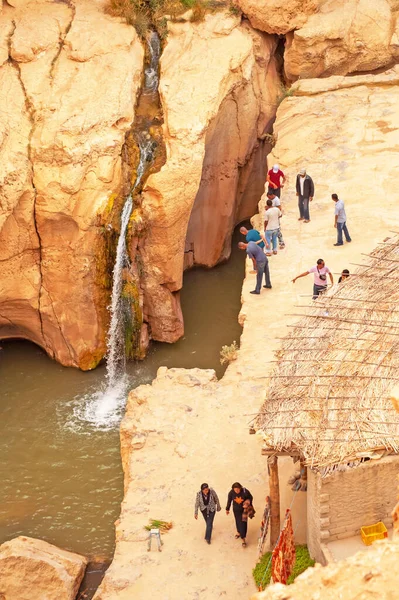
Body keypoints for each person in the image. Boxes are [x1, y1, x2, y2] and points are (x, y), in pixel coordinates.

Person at [226, 482, 254, 548]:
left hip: (244, 510)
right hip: (236, 510)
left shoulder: (245, 491)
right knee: (237, 521)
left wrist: (247, 503)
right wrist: (227, 509)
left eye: (238, 490)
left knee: (243, 523)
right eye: (235, 490)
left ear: (240, 488)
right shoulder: (231, 492)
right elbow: (229, 501)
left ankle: (243, 539)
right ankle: (238, 532)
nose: (236, 491)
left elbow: (250, 497)